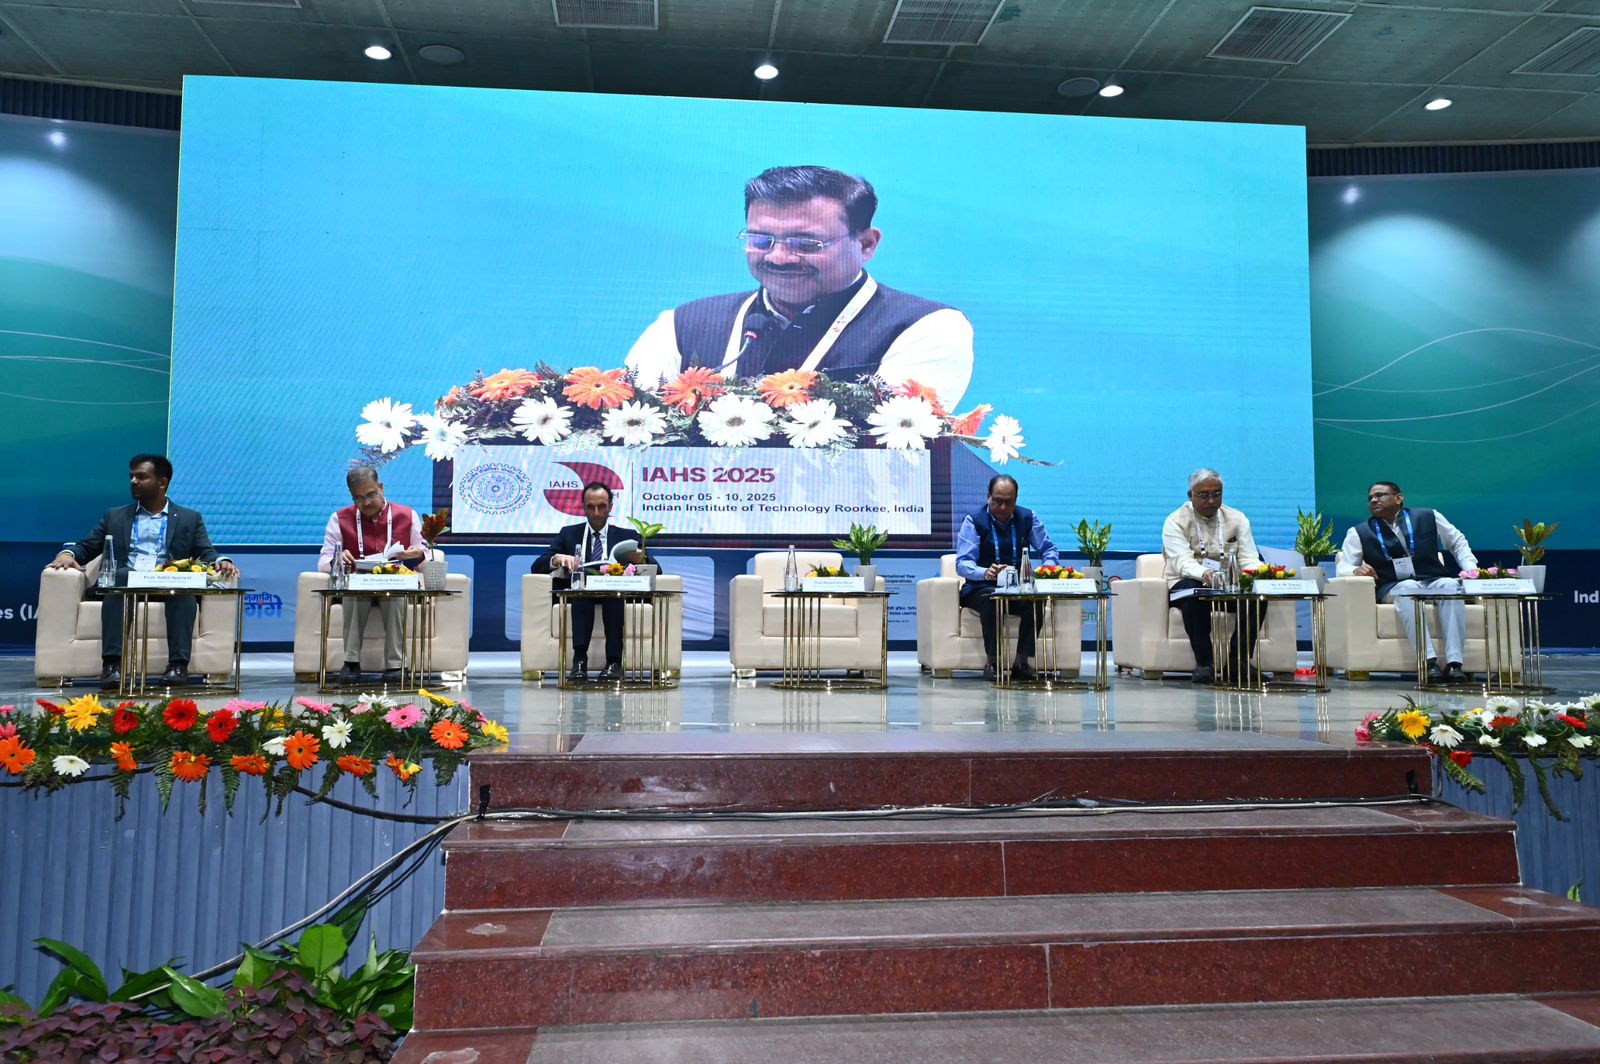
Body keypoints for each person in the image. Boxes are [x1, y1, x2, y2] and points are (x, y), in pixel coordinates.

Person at [624, 165, 974, 411]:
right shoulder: (682, 325)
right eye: (761, 240)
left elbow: (900, 436)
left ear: (866, 244)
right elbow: (629, 422)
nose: (779, 257)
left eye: (805, 244)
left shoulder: (927, 327)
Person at [48, 454, 239, 689]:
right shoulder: (115, 516)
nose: (133, 482)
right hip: (127, 581)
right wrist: (68, 555)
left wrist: (222, 560)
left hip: (167, 582)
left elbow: (205, 551)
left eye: (141, 477)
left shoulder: (189, 518)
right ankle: (112, 666)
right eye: (132, 477)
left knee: (184, 590)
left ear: (162, 482)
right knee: (119, 577)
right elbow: (88, 546)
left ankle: (178, 666)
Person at [1336, 481, 1479, 683]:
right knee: (1409, 588)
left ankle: (1455, 663)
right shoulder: (1359, 531)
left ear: (1399, 498)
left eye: (1380, 495)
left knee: (1450, 586)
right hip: (1393, 586)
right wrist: (1356, 570)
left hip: (1432, 578)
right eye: (1370, 498)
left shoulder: (1428, 516)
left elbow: (1457, 541)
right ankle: (1428, 662)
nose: (1374, 500)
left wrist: (1470, 570)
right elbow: (1343, 566)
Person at [318, 465, 430, 684]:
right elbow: (323, 560)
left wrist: (417, 554)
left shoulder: (407, 515)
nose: (367, 502)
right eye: (359, 498)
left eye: (371, 494)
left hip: (394, 582)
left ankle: (396, 666)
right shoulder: (339, 518)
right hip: (359, 582)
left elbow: (427, 554)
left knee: (395, 596)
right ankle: (351, 663)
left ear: (381, 487)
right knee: (353, 594)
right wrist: (338, 558)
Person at [532, 482, 648, 682]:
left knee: (613, 595)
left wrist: (640, 559)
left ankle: (614, 663)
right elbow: (537, 565)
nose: (596, 513)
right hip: (582, 592)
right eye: (590, 507)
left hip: (614, 593)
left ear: (611, 506)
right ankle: (579, 661)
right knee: (581, 592)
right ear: (583, 507)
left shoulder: (627, 536)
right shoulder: (568, 533)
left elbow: (657, 569)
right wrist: (557, 558)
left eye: (602, 506)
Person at [1161, 468, 1264, 684]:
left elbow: (1249, 558)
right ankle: (1204, 663)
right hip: (1185, 582)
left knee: (1258, 597)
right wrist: (1206, 574)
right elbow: (1183, 562)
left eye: (1217, 494)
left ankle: (1238, 662)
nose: (1211, 500)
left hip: (1227, 585)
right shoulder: (1175, 521)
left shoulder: (1237, 518)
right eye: (1203, 495)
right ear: (1190, 495)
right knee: (1194, 593)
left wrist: (1261, 574)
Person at [954, 475, 1059, 681]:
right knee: (992, 598)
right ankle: (993, 662)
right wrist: (985, 571)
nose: (1002, 507)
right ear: (988, 496)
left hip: (1016, 588)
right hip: (980, 587)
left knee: (1036, 601)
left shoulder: (1028, 518)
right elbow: (962, 563)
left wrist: (1047, 569)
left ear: (1016, 499)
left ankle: (1022, 663)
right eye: (997, 501)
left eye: (1008, 502)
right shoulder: (974, 521)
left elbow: (1049, 549)